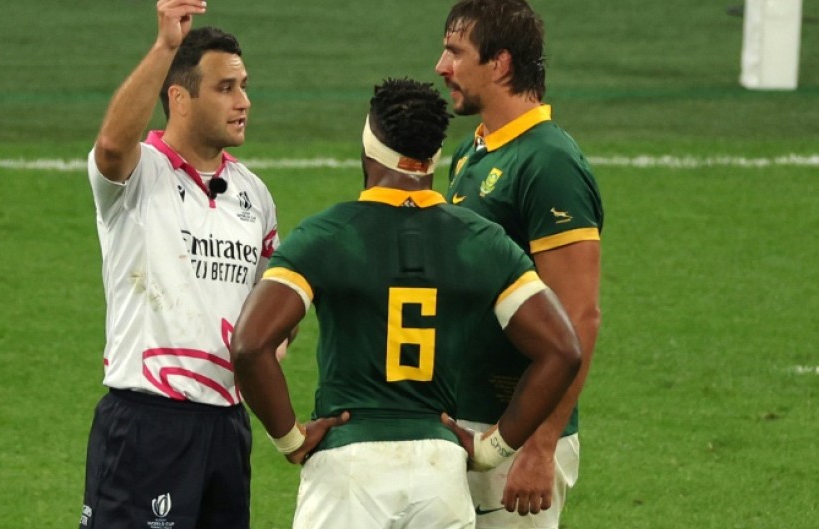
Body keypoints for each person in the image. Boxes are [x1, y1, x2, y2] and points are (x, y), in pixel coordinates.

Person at [230, 78, 582, 529]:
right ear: (435, 154)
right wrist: (493, 448)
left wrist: (290, 439)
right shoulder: (481, 241)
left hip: (348, 475)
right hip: (440, 478)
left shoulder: (327, 235)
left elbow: (249, 345)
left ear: (368, 142)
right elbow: (562, 349)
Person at [78, 2, 282, 528]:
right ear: (179, 99)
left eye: (244, 85)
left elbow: (271, 303)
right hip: (148, 423)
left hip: (227, 427)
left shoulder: (254, 196)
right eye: (225, 88)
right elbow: (110, 144)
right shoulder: (137, 176)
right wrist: (166, 45)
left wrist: (274, 341)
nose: (244, 102)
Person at [434, 0, 604, 527]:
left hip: (516, 429)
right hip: (462, 418)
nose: (441, 66)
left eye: (456, 52)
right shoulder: (473, 153)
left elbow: (578, 317)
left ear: (501, 64)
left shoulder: (549, 163)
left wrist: (541, 443)